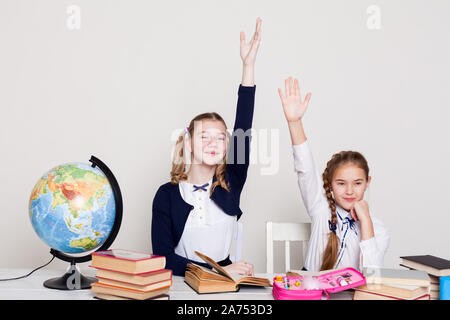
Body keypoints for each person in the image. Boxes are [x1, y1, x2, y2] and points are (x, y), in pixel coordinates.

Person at [151, 18, 262, 276]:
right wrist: (218, 272)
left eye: (220, 138)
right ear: (188, 143)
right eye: (204, 137)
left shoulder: (231, 182)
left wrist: (248, 66)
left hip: (226, 285)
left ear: (227, 146)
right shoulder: (166, 195)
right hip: (182, 285)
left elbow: (244, 127)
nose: (213, 143)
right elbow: (163, 260)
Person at [278, 77, 390, 271]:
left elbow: (373, 279)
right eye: (340, 183)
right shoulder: (320, 208)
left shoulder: (378, 229)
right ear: (329, 184)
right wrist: (295, 123)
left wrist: (366, 222)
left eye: (357, 183)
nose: (349, 191)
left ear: (367, 182)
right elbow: (305, 168)